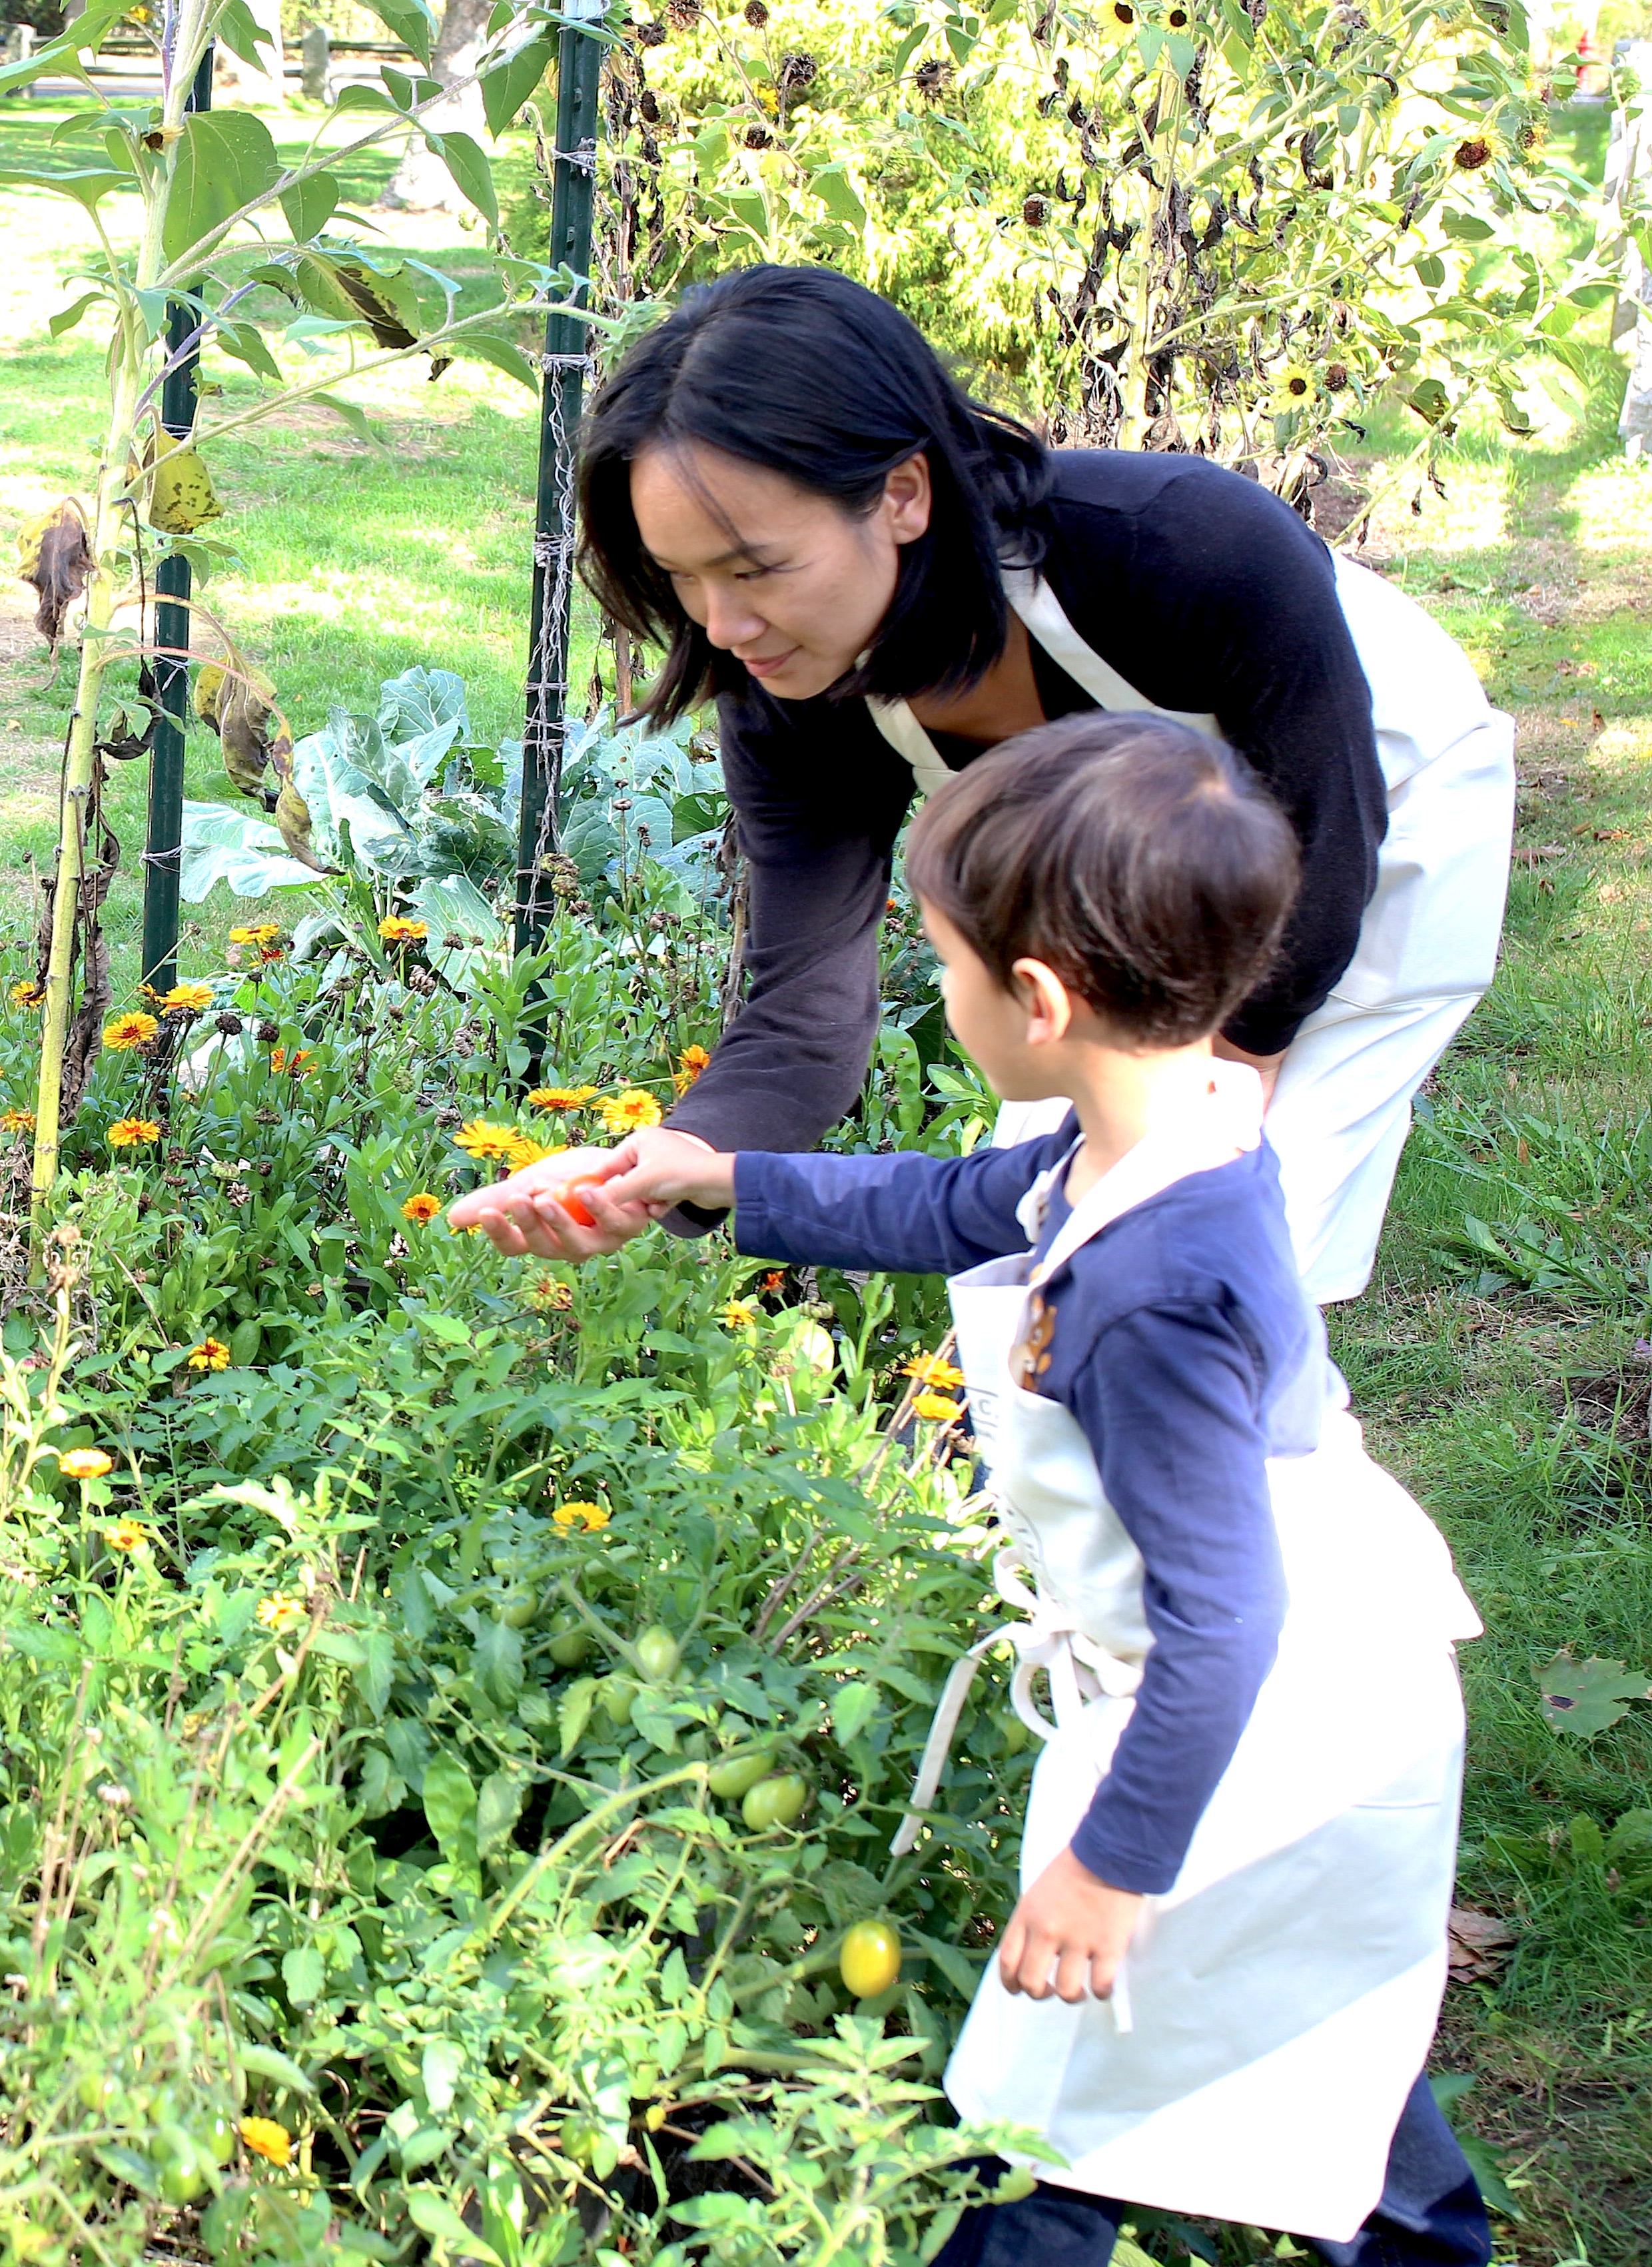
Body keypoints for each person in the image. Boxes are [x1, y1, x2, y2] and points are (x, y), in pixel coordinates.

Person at [453, 715, 1490, 2264]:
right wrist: (705, 1175)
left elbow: (1225, 1618)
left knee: (1046, 2116)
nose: (936, 997)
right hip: (1268, 1697)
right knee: (1308, 2023)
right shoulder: (1166, 1128)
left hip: (1257, 1719)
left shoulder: (1156, 1291)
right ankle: (1427, 2240)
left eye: (939, 966)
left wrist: (1108, 1865)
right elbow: (958, 1199)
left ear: (1042, 999)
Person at [514, 262, 1513, 1304]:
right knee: (1020, 1272)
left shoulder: (1185, 547)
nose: (721, 625)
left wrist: (1214, 1097)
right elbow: (808, 1008)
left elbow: (1326, 851)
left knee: (1221, 1261)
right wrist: (671, 1166)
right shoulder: (786, 686)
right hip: (1113, 864)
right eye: (683, 576)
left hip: (1370, 815)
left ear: (902, 493)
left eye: (755, 568)